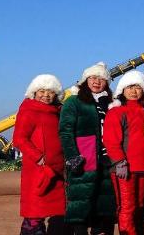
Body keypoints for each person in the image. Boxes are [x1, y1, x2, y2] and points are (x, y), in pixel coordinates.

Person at [59, 62, 116, 235]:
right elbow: (65, 131)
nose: (97, 82)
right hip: (83, 160)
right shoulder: (74, 102)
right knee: (80, 207)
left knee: (103, 209)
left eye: (101, 78)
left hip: (107, 162)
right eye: (93, 78)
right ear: (85, 80)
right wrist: (73, 156)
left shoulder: (112, 103)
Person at [13, 74, 69, 235]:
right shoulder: (28, 110)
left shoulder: (58, 112)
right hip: (39, 171)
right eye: (42, 91)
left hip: (57, 170)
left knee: (56, 213)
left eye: (50, 92)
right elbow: (19, 139)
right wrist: (39, 157)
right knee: (34, 214)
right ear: (34, 92)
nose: (46, 95)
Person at [102, 70, 144, 235]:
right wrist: (119, 161)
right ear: (122, 90)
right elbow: (110, 140)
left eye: (137, 87)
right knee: (127, 207)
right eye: (129, 87)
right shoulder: (116, 112)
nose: (133, 91)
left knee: (140, 207)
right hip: (125, 168)